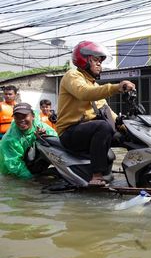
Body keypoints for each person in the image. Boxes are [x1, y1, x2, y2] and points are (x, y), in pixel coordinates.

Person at [56, 41, 135, 187]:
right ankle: (96, 175)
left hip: (88, 130)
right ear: (83, 60)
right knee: (103, 127)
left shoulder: (94, 84)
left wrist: (125, 126)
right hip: (70, 132)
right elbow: (84, 93)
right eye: (96, 60)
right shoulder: (72, 76)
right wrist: (116, 87)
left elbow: (106, 110)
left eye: (100, 61)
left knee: (127, 136)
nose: (99, 64)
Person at [0, 102, 57, 179]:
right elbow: (15, 165)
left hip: (32, 163)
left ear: (33, 116)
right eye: (17, 117)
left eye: (24, 116)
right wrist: (32, 180)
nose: (21, 120)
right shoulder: (9, 139)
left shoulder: (40, 126)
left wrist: (44, 137)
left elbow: (57, 142)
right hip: (12, 172)